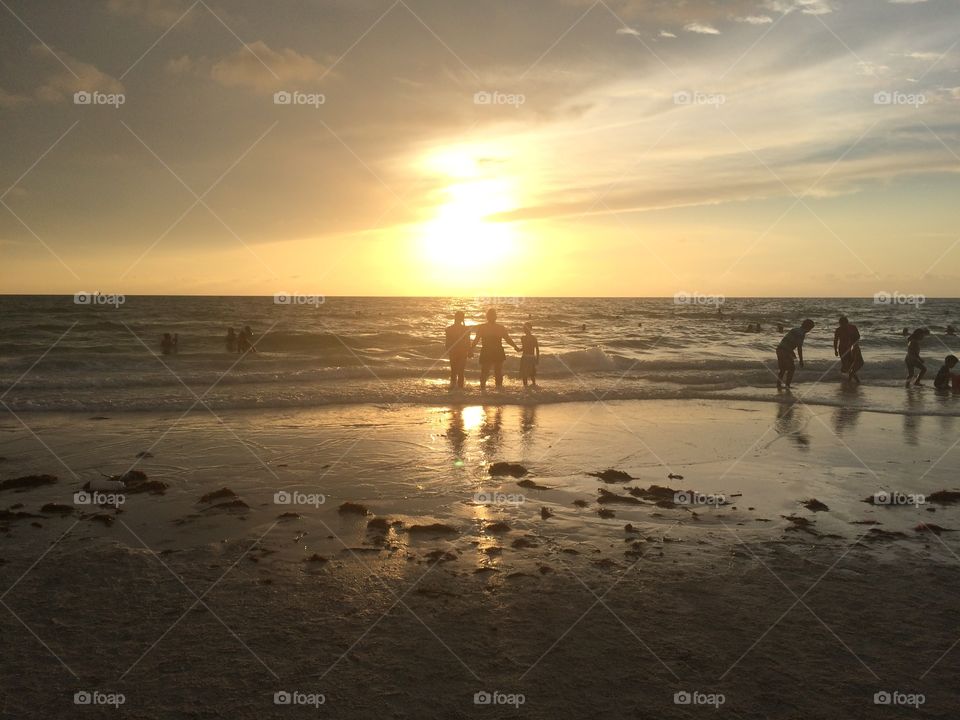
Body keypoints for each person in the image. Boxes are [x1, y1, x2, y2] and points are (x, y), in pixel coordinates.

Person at [471, 308, 519, 391]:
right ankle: (483, 390)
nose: (491, 317)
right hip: (487, 351)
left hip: (497, 351)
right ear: (487, 317)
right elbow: (476, 340)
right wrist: (470, 349)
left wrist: (515, 347)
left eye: (493, 315)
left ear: (495, 317)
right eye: (490, 316)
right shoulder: (482, 327)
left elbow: (507, 339)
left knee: (498, 372)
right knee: (485, 371)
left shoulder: (500, 328)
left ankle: (499, 390)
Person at [776, 319, 815, 390]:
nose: (810, 330)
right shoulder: (801, 333)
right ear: (808, 327)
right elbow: (799, 348)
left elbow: (789, 341)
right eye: (811, 328)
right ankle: (787, 385)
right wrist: (801, 360)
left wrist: (792, 352)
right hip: (785, 350)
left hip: (779, 349)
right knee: (791, 368)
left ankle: (778, 384)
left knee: (783, 369)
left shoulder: (795, 329)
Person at [444, 311, 473, 389]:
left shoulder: (449, 329)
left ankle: (453, 390)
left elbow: (447, 343)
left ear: (455, 318)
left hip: (454, 352)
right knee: (460, 372)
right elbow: (468, 342)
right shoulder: (465, 329)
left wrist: (448, 351)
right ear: (462, 318)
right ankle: (460, 390)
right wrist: (470, 351)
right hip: (462, 352)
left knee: (454, 371)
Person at [833, 316, 863, 383]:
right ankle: (853, 380)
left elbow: (858, 337)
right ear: (840, 323)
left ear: (847, 323)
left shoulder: (853, 328)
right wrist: (835, 350)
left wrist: (854, 344)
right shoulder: (838, 330)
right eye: (841, 324)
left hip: (852, 348)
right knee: (847, 366)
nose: (843, 325)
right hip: (842, 349)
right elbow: (835, 340)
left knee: (858, 363)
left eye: (844, 324)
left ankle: (849, 377)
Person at [519, 323, 540, 388]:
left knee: (525, 374)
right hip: (531, 357)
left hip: (525, 357)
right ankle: (533, 385)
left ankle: (526, 387)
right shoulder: (533, 338)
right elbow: (537, 349)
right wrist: (537, 359)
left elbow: (524, 348)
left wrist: (518, 349)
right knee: (531, 374)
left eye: (525, 328)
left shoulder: (523, 338)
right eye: (524, 328)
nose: (525, 330)